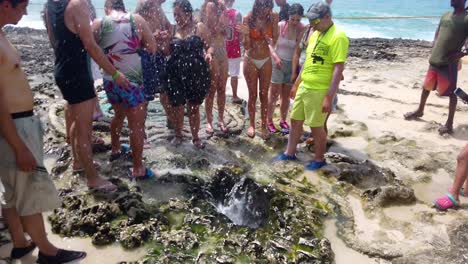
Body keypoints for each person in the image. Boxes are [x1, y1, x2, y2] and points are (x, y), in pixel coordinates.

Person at [0, 0, 87, 262]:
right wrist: (18, 145)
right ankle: (47, 252)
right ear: (6, 4)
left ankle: (19, 243)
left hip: (17, 123)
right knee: (30, 190)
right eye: (23, 6)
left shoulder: (2, 34)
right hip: (14, 125)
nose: (27, 12)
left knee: (13, 190)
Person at [44, 0, 131, 192]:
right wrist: (115, 73)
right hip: (78, 74)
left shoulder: (52, 4)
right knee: (85, 130)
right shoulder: (78, 4)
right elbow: (90, 45)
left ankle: (78, 162)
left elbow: (53, 39)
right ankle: (93, 178)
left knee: (76, 119)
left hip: (62, 70)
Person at [275, 1, 349, 171]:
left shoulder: (338, 36)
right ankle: (290, 152)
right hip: (305, 85)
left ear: (327, 17)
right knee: (295, 120)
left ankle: (319, 158)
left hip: (320, 88)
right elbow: (308, 61)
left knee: (316, 126)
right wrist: (296, 83)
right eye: (311, 21)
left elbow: (338, 69)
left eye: (316, 21)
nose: (312, 25)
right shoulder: (314, 33)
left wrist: (329, 97)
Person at [93, 0, 157, 179]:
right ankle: (138, 168)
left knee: (118, 115)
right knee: (135, 126)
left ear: (107, 8)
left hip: (111, 80)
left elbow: (91, 49)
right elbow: (152, 48)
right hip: (133, 81)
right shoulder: (136, 20)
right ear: (123, 7)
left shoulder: (99, 23)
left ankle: (115, 149)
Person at [403, 0, 468, 135]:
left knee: (451, 92)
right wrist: (434, 48)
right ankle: (420, 110)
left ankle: (449, 124)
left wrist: (462, 53)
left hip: (448, 63)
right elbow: (437, 34)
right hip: (434, 60)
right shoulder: (445, 15)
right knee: (426, 87)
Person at [166, 0, 211, 149]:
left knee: (194, 107)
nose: (176, 18)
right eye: (174, 15)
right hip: (175, 74)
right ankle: (178, 135)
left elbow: (209, 46)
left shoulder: (199, 27)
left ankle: (196, 137)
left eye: (178, 14)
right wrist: (161, 42)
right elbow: (167, 51)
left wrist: (208, 55)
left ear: (188, 13)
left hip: (196, 74)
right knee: (177, 106)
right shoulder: (172, 30)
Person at [242, 0, 279, 139]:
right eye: (263, 6)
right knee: (252, 95)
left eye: (268, 7)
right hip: (251, 59)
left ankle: (263, 126)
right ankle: (251, 124)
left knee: (264, 94)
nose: (265, 10)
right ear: (257, 5)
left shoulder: (273, 16)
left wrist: (266, 35)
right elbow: (246, 46)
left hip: (266, 59)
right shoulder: (248, 18)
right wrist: (246, 34)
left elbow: (275, 40)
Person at [135, 0, 175, 130]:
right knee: (144, 96)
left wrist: (167, 35)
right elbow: (133, 28)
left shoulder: (159, 6)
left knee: (165, 91)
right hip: (145, 55)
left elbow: (169, 26)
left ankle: (172, 122)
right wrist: (151, 36)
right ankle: (142, 131)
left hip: (159, 55)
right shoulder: (143, 3)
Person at [267, 3, 304, 134]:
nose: (295, 22)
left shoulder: (302, 29)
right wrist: (276, 58)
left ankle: (283, 120)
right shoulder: (280, 25)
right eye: (292, 19)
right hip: (277, 62)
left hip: (291, 64)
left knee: (286, 96)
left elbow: (298, 51)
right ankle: (269, 120)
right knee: (274, 94)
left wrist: (295, 71)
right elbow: (270, 45)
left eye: (298, 20)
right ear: (288, 16)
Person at [201, 0, 230, 135]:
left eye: (213, 10)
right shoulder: (204, 17)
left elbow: (228, 34)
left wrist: (223, 18)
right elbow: (202, 36)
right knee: (211, 89)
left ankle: (220, 119)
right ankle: (208, 120)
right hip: (211, 53)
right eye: (209, 10)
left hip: (223, 52)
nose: (211, 12)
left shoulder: (223, 15)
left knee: (222, 88)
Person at [224, 0, 243, 104]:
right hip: (234, 48)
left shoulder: (219, 12)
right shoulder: (237, 14)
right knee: (234, 74)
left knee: (221, 74)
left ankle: (221, 94)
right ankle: (234, 96)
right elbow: (240, 34)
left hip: (222, 49)